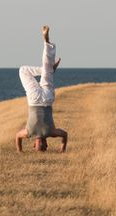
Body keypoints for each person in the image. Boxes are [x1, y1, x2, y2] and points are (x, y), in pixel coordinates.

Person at [15, 25, 68, 153]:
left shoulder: (29, 133)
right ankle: (47, 51)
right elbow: (65, 135)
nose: (43, 146)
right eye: (44, 147)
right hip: (46, 99)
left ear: (34, 145)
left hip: (35, 99)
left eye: (39, 148)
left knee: (23, 70)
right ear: (46, 144)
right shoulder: (51, 132)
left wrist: (19, 151)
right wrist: (62, 149)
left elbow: (17, 136)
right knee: (44, 66)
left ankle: (49, 69)